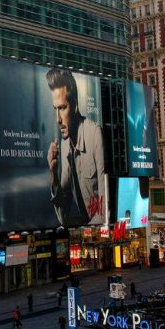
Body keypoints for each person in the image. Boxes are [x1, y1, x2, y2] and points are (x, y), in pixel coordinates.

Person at [46, 68, 106, 227]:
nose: (58, 119)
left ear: (76, 106)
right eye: (55, 109)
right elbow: (63, 219)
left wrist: (89, 233)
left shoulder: (94, 134)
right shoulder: (64, 145)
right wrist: (53, 173)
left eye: (63, 108)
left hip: (98, 232)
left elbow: (104, 209)